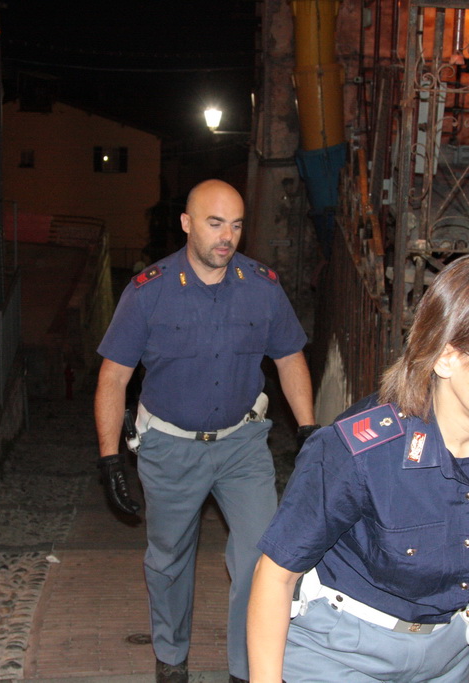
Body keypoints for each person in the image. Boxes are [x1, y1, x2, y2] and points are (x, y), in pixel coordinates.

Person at [247, 254, 469, 683]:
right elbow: (275, 575)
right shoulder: (361, 450)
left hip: (448, 651)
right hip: (340, 652)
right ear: (447, 358)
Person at [95, 179, 319, 683]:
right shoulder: (148, 292)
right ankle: (171, 656)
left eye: (236, 225)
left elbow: (290, 358)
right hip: (169, 446)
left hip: (243, 443)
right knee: (169, 559)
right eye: (215, 224)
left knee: (263, 556)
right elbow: (113, 377)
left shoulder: (262, 286)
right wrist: (110, 458)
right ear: (187, 223)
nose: (227, 237)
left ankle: (248, 666)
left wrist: (307, 428)